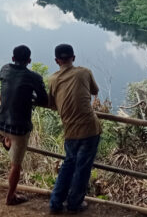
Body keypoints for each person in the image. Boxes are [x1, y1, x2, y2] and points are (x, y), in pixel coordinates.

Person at [47, 43, 102, 214]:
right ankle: (74, 204)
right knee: (82, 168)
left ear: (57, 61)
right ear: (74, 58)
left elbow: (51, 103)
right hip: (90, 129)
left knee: (68, 165)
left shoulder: (52, 79)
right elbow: (95, 90)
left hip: (70, 130)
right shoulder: (84, 72)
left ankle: (55, 203)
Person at [0, 44, 48, 205]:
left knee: (0, 105)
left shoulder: (4, 69)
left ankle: (6, 139)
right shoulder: (34, 77)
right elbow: (44, 100)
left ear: (12, 59)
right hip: (18, 128)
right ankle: (11, 196)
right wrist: (30, 98)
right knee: (16, 165)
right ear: (29, 60)